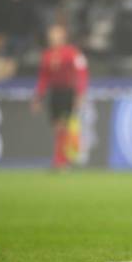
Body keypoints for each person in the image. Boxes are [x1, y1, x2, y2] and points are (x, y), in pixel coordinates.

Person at [32, 23, 88, 169]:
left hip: (68, 92)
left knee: (64, 126)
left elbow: (81, 73)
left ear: (63, 36)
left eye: (56, 34)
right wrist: (38, 97)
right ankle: (62, 159)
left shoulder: (71, 53)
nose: (53, 37)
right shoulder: (47, 55)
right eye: (52, 35)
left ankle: (61, 160)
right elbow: (43, 78)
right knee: (58, 127)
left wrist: (80, 94)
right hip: (55, 93)